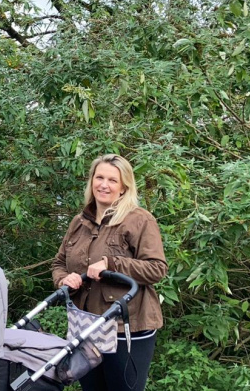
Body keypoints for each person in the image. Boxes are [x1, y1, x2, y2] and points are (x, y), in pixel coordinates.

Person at [52, 154, 167, 391]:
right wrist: (64, 279)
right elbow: (59, 263)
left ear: (124, 187)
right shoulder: (78, 223)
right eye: (99, 177)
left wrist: (111, 264)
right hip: (85, 325)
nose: (104, 185)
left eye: (112, 180)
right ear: (91, 180)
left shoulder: (139, 220)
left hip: (126, 327)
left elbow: (157, 268)